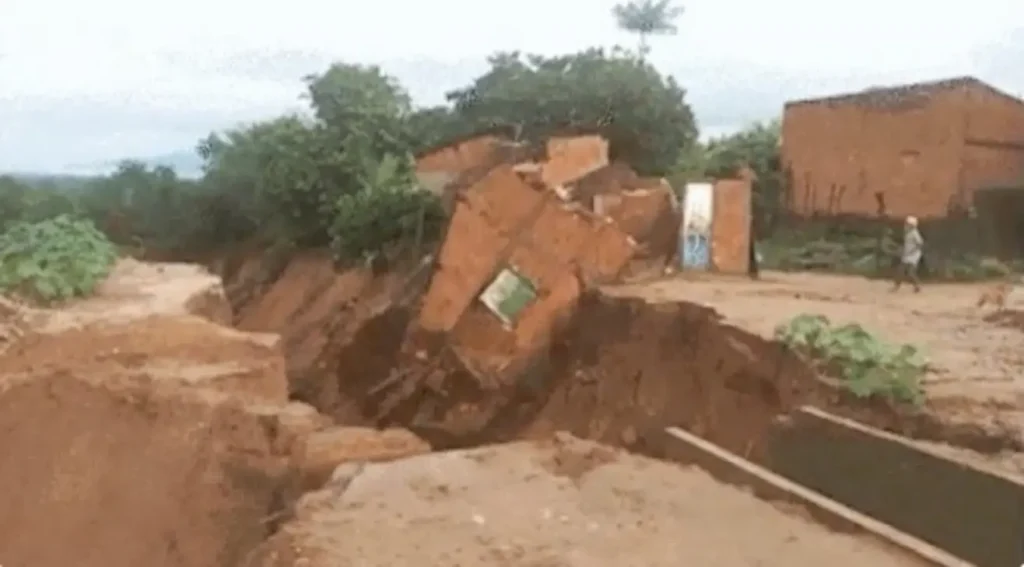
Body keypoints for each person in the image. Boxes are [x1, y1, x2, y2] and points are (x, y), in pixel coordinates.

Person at [892, 215, 923, 292]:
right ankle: (896, 286)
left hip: (913, 255)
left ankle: (917, 286)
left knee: (910, 272)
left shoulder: (914, 233)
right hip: (907, 254)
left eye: (907, 224)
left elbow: (920, 243)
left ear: (912, 225)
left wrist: (912, 251)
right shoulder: (907, 233)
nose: (905, 225)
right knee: (900, 270)